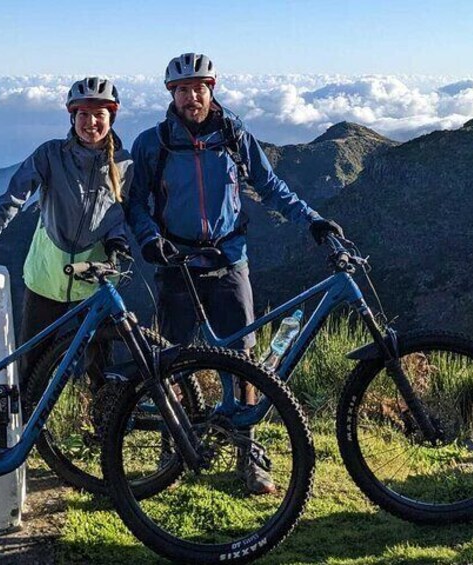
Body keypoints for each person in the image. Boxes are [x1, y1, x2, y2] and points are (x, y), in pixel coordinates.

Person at [126, 53, 343, 494]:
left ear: (213, 88)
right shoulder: (153, 143)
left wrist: (313, 220)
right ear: (171, 94)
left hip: (228, 261)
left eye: (199, 88)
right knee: (172, 363)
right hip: (177, 264)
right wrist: (150, 239)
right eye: (183, 89)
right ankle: (174, 445)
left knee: (243, 362)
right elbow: (135, 203)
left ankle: (248, 450)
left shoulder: (233, 134)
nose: (192, 96)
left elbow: (270, 185)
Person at [0, 76, 132, 384]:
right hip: (45, 284)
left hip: (93, 285)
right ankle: (30, 434)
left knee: (101, 378)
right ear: (72, 117)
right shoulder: (50, 155)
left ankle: (103, 432)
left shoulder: (126, 164)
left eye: (98, 114)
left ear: (111, 117)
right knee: (32, 374)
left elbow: (120, 215)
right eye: (83, 114)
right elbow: (7, 204)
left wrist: (118, 243)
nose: (90, 122)